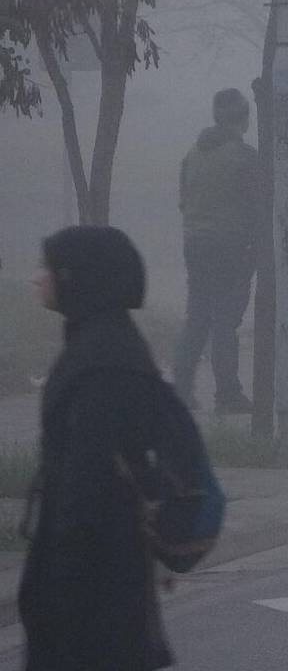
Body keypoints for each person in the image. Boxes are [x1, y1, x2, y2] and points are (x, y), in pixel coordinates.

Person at [19, 226, 174, 670]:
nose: (36, 278)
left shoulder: (101, 363)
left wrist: (61, 584)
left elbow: (85, 480)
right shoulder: (105, 345)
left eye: (46, 268)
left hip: (91, 581)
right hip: (105, 573)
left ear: (76, 277)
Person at [175, 87, 263, 414]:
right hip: (231, 247)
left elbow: (184, 202)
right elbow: (258, 208)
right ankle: (227, 393)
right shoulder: (245, 158)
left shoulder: (192, 156)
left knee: (197, 316)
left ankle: (182, 388)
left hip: (195, 244)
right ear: (244, 119)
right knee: (226, 321)